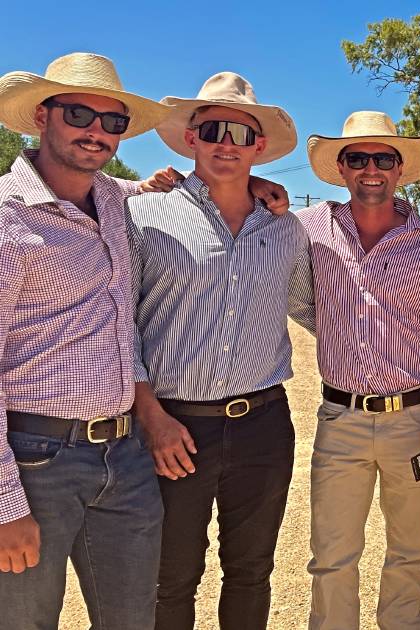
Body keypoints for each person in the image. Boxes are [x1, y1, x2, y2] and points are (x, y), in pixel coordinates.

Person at [126, 71, 310, 630]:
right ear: (191, 140)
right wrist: (151, 418)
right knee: (169, 578)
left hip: (263, 424)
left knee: (252, 572)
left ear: (259, 146)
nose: (225, 142)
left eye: (239, 131)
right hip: (173, 427)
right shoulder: (142, 216)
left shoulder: (286, 229)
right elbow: (119, 329)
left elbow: (315, 308)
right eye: (212, 130)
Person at [0, 51, 172, 630]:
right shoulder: (6, 218)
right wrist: (4, 504)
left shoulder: (114, 203)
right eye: (80, 114)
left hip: (124, 457)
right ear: (43, 116)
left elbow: (153, 186)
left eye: (113, 122)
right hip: (34, 459)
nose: (97, 132)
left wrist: (265, 188)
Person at [296, 111, 420, 630]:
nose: (371, 169)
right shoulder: (310, 229)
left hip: (411, 421)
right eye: (358, 158)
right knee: (331, 558)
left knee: (409, 552)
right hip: (339, 419)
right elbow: (254, 214)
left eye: (383, 158)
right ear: (341, 168)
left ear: (399, 169)